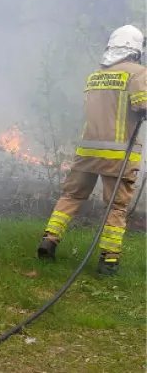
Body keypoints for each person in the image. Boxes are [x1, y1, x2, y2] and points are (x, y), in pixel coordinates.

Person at [37, 24, 147, 276]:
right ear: (135, 50)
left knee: (72, 196)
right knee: (115, 207)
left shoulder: (95, 75)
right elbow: (143, 106)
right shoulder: (138, 73)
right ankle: (108, 261)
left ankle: (49, 240)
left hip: (87, 152)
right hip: (118, 156)